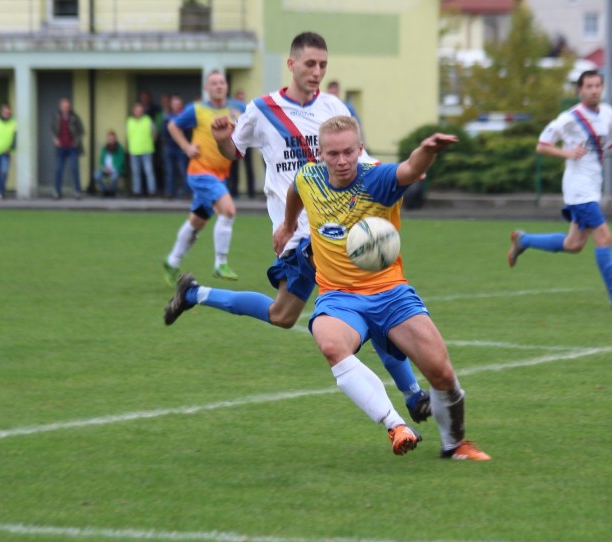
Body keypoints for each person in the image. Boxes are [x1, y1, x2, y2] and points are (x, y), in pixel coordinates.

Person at [165, 31, 431, 423]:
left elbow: (364, 159)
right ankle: (412, 395)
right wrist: (223, 140)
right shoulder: (262, 109)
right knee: (338, 306)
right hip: (303, 235)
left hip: (341, 224)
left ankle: (195, 294)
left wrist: (404, 175)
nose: (317, 72)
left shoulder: (334, 106)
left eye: (323, 65)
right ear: (291, 64)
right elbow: (232, 151)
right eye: (310, 64)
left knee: (286, 314)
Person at [270, 116, 487, 459]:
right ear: (320, 153)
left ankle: (454, 444)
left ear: (360, 149)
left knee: (441, 372)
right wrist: (286, 225)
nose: (341, 161)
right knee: (330, 344)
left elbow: (410, 170)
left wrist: (427, 152)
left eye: (348, 152)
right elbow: (295, 189)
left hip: (390, 293)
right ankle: (395, 425)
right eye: (333, 154)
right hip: (338, 298)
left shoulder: (377, 179)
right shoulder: (309, 177)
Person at [506, 70, 612, 310]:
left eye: (598, 85)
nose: (594, 90)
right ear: (580, 90)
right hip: (579, 189)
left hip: (592, 186)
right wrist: (567, 153)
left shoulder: (609, 113)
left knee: (574, 244)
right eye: (589, 86)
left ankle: (523, 240)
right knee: (604, 236)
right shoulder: (568, 118)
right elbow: (542, 146)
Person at [162, 70, 240, 284]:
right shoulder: (197, 109)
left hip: (220, 175)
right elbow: (172, 125)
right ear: (206, 88)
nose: (218, 86)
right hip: (200, 172)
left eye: (222, 82)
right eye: (213, 83)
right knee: (229, 210)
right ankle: (220, 263)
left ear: (226, 85)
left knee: (197, 221)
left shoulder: (237, 109)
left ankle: (172, 260)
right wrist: (186, 146)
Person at [50, 97, 84, 200]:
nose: (66, 108)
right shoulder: (56, 117)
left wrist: (76, 141)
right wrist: (55, 138)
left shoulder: (75, 117)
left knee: (74, 169)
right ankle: (57, 191)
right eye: (64, 106)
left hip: (72, 147)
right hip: (60, 147)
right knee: (58, 169)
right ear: (60, 107)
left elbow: (81, 131)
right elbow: (52, 129)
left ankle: (77, 191)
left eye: (68, 106)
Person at [225, 89, 256, 199]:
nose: (241, 100)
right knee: (234, 168)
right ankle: (234, 192)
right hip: (234, 141)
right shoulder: (231, 110)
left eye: (242, 97)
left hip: (247, 142)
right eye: (239, 98)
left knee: (249, 167)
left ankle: (251, 192)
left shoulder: (248, 109)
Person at [126, 101, 157, 197]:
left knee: (149, 172)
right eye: (137, 110)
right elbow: (128, 135)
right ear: (134, 110)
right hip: (134, 150)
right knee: (136, 173)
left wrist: (151, 142)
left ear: (143, 111)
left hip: (146, 149)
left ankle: (152, 191)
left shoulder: (148, 120)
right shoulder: (129, 121)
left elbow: (154, 134)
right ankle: (137, 191)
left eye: (140, 110)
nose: (138, 112)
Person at [162, 95, 190, 199]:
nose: (176, 105)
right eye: (174, 104)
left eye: (178, 104)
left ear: (181, 104)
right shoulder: (167, 117)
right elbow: (164, 132)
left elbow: (188, 132)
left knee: (183, 171)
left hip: (181, 148)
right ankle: (170, 193)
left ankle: (187, 193)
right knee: (169, 171)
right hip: (169, 147)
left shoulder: (185, 116)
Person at [93, 130, 126, 197]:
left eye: (113, 139)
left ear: (115, 139)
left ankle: (113, 191)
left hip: (116, 169)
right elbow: (101, 161)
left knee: (114, 177)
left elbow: (122, 160)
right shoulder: (105, 148)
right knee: (96, 175)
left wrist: (113, 169)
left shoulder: (119, 148)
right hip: (105, 169)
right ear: (108, 139)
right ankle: (105, 191)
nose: (111, 140)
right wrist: (104, 168)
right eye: (110, 139)